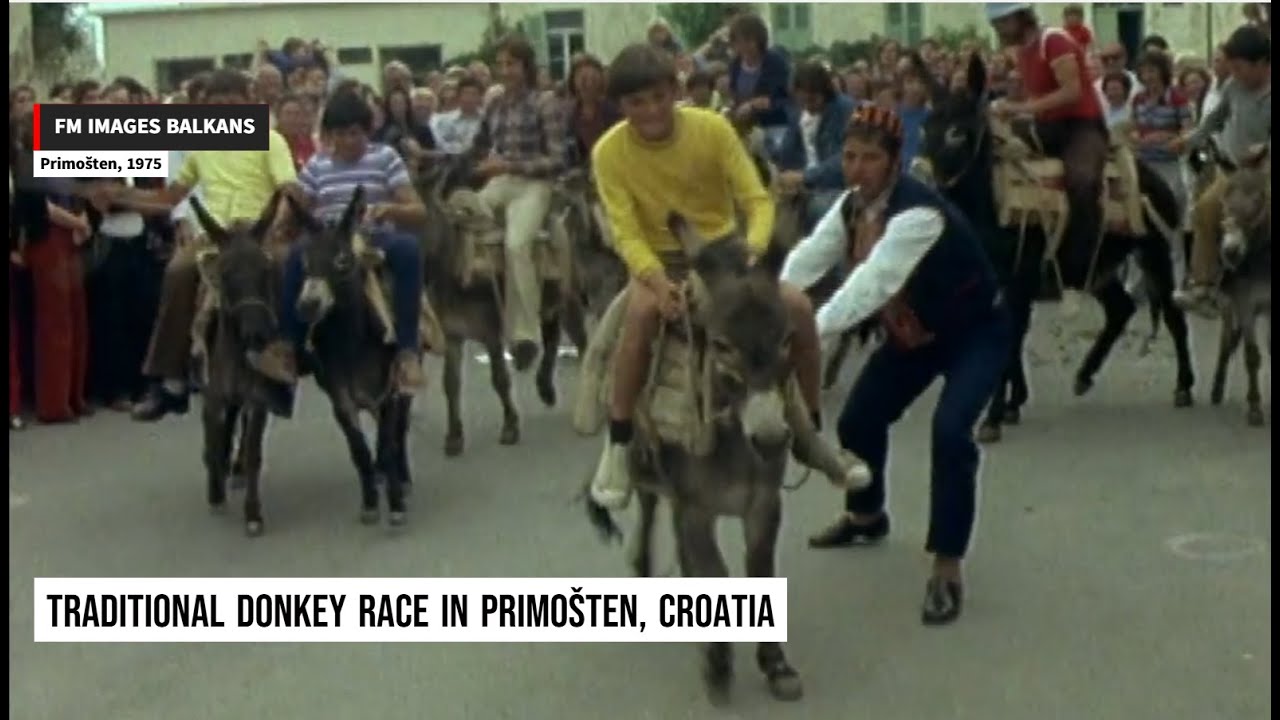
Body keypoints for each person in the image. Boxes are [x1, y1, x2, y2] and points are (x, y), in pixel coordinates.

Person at [587, 44, 859, 510]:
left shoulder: (712, 128)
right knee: (638, 320)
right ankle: (618, 442)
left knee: (797, 308)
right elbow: (625, 231)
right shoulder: (608, 151)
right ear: (621, 106)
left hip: (728, 256)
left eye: (658, 97)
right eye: (636, 103)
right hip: (662, 261)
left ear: (674, 90)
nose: (650, 110)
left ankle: (809, 432)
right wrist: (655, 282)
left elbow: (756, 198)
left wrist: (753, 249)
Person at [781, 105, 1012, 626]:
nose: (856, 169)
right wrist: (774, 305)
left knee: (952, 432)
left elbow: (873, 286)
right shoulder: (848, 207)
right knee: (859, 419)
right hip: (917, 334)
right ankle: (867, 515)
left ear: (894, 162)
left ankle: (947, 567)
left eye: (869, 158)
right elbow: (807, 260)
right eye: (848, 156)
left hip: (976, 331)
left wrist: (804, 333)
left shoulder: (918, 213)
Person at [107, 69, 301, 421]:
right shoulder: (200, 147)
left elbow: (289, 190)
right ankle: (171, 381)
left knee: (288, 267)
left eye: (234, 105)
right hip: (215, 236)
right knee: (178, 272)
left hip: (259, 234)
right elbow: (170, 197)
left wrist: (278, 224)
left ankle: (287, 357)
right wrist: (125, 196)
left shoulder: (271, 141)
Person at [256, 89, 427, 394]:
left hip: (374, 237)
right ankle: (288, 347)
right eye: (340, 134)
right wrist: (280, 225)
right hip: (327, 243)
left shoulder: (385, 158)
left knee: (409, 250)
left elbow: (416, 209)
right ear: (329, 135)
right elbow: (299, 206)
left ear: (367, 130)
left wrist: (391, 208)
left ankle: (408, 350)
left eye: (354, 133)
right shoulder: (317, 166)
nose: (349, 141)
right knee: (295, 256)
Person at [987, 2, 1108, 294]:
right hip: (1046, 127)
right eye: (997, 24)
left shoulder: (1053, 40)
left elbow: (1072, 91)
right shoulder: (1023, 51)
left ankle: (1078, 274)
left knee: (1082, 182)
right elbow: (1040, 100)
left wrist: (1020, 108)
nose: (1000, 30)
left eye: (1003, 22)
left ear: (1020, 17)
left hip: (1082, 126)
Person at [470, 35, 569, 372]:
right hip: (499, 181)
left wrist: (508, 165)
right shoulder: (495, 105)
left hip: (534, 184)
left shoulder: (545, 103)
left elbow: (558, 159)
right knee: (462, 217)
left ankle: (526, 335)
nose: (504, 70)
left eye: (510, 64)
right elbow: (478, 146)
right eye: (500, 64)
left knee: (516, 243)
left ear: (525, 66)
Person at [1171, 25, 1271, 316]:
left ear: (1262, 63)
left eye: (1240, 68)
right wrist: (1188, 141)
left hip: (1267, 171)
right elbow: (1213, 121)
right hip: (1235, 171)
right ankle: (1202, 284)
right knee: (1204, 208)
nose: (1235, 74)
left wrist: (1266, 147)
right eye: (1232, 68)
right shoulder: (1232, 87)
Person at [775, 61, 857, 229]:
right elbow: (786, 155)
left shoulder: (845, 110)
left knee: (819, 207)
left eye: (812, 100)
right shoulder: (799, 114)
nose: (807, 106)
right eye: (802, 100)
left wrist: (805, 176)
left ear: (824, 93)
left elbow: (845, 158)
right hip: (804, 185)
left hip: (835, 186)